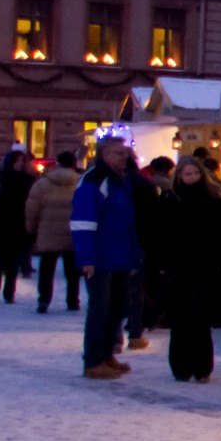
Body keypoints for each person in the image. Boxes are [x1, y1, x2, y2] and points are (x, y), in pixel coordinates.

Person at [72, 134, 148, 379]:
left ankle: (106, 355)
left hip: (119, 256)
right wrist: (86, 258)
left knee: (117, 309)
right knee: (100, 309)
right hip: (101, 258)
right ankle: (93, 360)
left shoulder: (121, 181)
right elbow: (83, 221)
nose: (124, 157)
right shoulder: (95, 180)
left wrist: (132, 254)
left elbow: (128, 222)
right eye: (118, 153)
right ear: (104, 155)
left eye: (125, 153)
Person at [164, 157, 221, 382]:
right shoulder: (171, 199)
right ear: (179, 176)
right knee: (181, 317)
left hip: (207, 265)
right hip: (179, 266)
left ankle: (201, 366)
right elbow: (162, 234)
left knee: (200, 317)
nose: (192, 179)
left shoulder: (214, 199)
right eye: (187, 175)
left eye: (195, 174)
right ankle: (181, 365)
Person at [26, 149, 84, 313]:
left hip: (47, 230)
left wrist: (31, 230)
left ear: (57, 162)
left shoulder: (42, 184)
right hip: (74, 231)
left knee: (46, 269)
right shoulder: (82, 182)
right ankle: (73, 300)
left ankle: (44, 300)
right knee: (72, 271)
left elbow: (32, 210)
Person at [0, 148, 37, 304]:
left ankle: (9, 293)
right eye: (17, 161)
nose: (19, 164)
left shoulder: (26, 180)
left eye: (21, 162)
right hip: (0, 226)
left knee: (13, 263)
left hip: (18, 226)